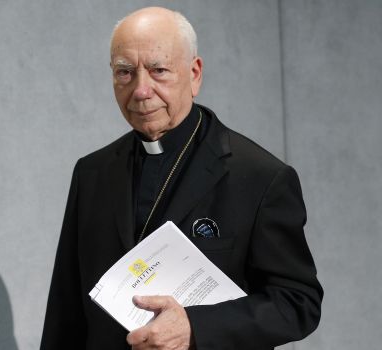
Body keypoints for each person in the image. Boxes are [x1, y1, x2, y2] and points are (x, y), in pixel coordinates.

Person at [41, 6, 322, 350]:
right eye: (125, 72)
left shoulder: (260, 177)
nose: (141, 90)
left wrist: (196, 328)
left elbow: (298, 302)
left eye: (159, 70)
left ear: (194, 74)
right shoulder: (92, 173)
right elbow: (65, 312)